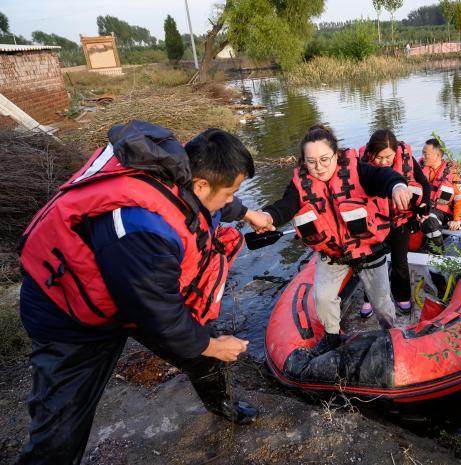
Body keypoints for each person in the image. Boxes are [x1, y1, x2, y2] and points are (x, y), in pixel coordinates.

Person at [15, 121, 272, 465]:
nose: (230, 201)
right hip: (68, 312)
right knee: (62, 424)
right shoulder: (143, 231)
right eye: (229, 195)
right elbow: (160, 315)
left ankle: (223, 404)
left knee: (201, 352)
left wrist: (246, 212)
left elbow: (213, 199)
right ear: (199, 183)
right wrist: (212, 345)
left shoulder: (182, 173)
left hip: (130, 284)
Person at [260, 124, 412, 355]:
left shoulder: (357, 170)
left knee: (381, 303)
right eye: (311, 162)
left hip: (367, 249)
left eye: (324, 159)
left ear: (336, 155)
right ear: (303, 161)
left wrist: (397, 185)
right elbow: (285, 206)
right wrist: (268, 215)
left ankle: (388, 333)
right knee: (322, 297)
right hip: (333, 254)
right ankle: (332, 336)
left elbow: (382, 176)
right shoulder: (299, 184)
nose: (318, 167)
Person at [357, 129, 431, 318]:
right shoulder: (362, 165)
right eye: (378, 157)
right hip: (373, 222)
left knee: (400, 260)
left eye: (388, 157)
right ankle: (370, 299)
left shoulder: (407, 159)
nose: (383, 162)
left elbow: (424, 183)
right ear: (370, 153)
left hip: (400, 220)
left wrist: (424, 208)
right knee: (370, 261)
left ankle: (402, 296)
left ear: (396, 153)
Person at [419, 138, 461, 251]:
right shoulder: (418, 168)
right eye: (423, 152)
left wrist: (457, 220)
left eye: (426, 153)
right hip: (421, 207)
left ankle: (438, 253)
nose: (423, 156)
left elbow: (460, 199)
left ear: (438, 155)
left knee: (429, 220)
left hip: (441, 212)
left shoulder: (452, 174)